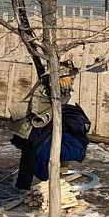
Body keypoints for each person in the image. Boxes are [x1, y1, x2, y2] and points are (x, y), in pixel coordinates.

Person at [7, 62, 91, 190]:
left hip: (41, 124)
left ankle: (41, 184)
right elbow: (42, 106)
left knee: (39, 152)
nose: (72, 80)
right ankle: (24, 187)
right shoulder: (47, 86)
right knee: (31, 153)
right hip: (33, 125)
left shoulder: (48, 84)